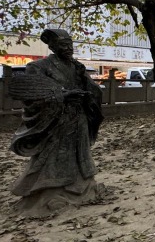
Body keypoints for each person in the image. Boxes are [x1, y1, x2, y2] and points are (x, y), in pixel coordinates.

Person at [8, 28, 104, 214]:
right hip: (55, 121)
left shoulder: (76, 66)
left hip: (78, 117)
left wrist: (87, 88)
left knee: (79, 153)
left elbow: (92, 89)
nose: (68, 48)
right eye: (63, 45)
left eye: (70, 45)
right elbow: (33, 95)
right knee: (54, 155)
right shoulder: (39, 67)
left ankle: (81, 188)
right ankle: (49, 193)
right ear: (52, 47)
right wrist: (63, 95)